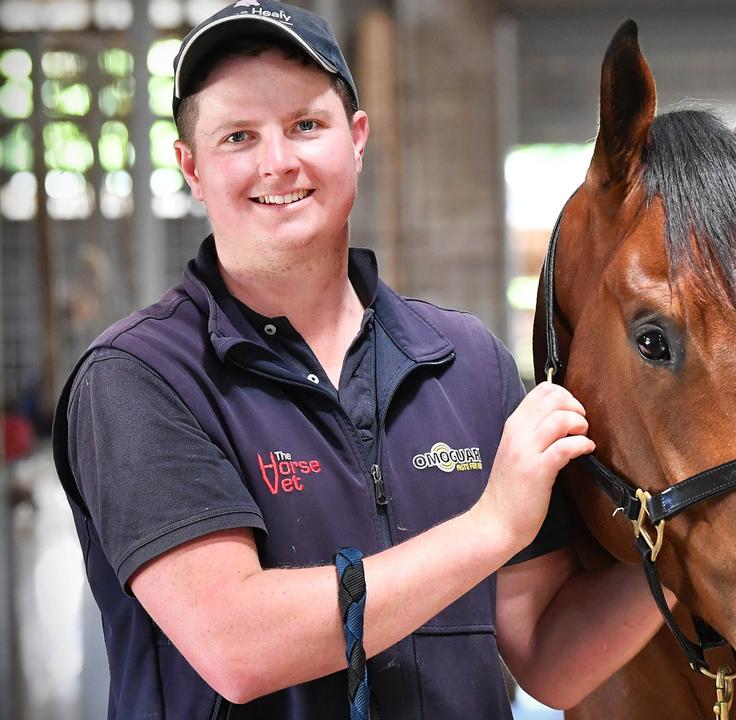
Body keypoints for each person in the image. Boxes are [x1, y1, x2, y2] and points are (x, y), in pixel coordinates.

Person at [51, 2, 668, 717]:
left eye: (305, 125)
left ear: (358, 139)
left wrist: (697, 540)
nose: (277, 161)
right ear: (191, 168)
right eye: (238, 136)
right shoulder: (140, 379)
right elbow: (238, 645)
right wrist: (490, 526)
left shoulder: (465, 363)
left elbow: (550, 662)